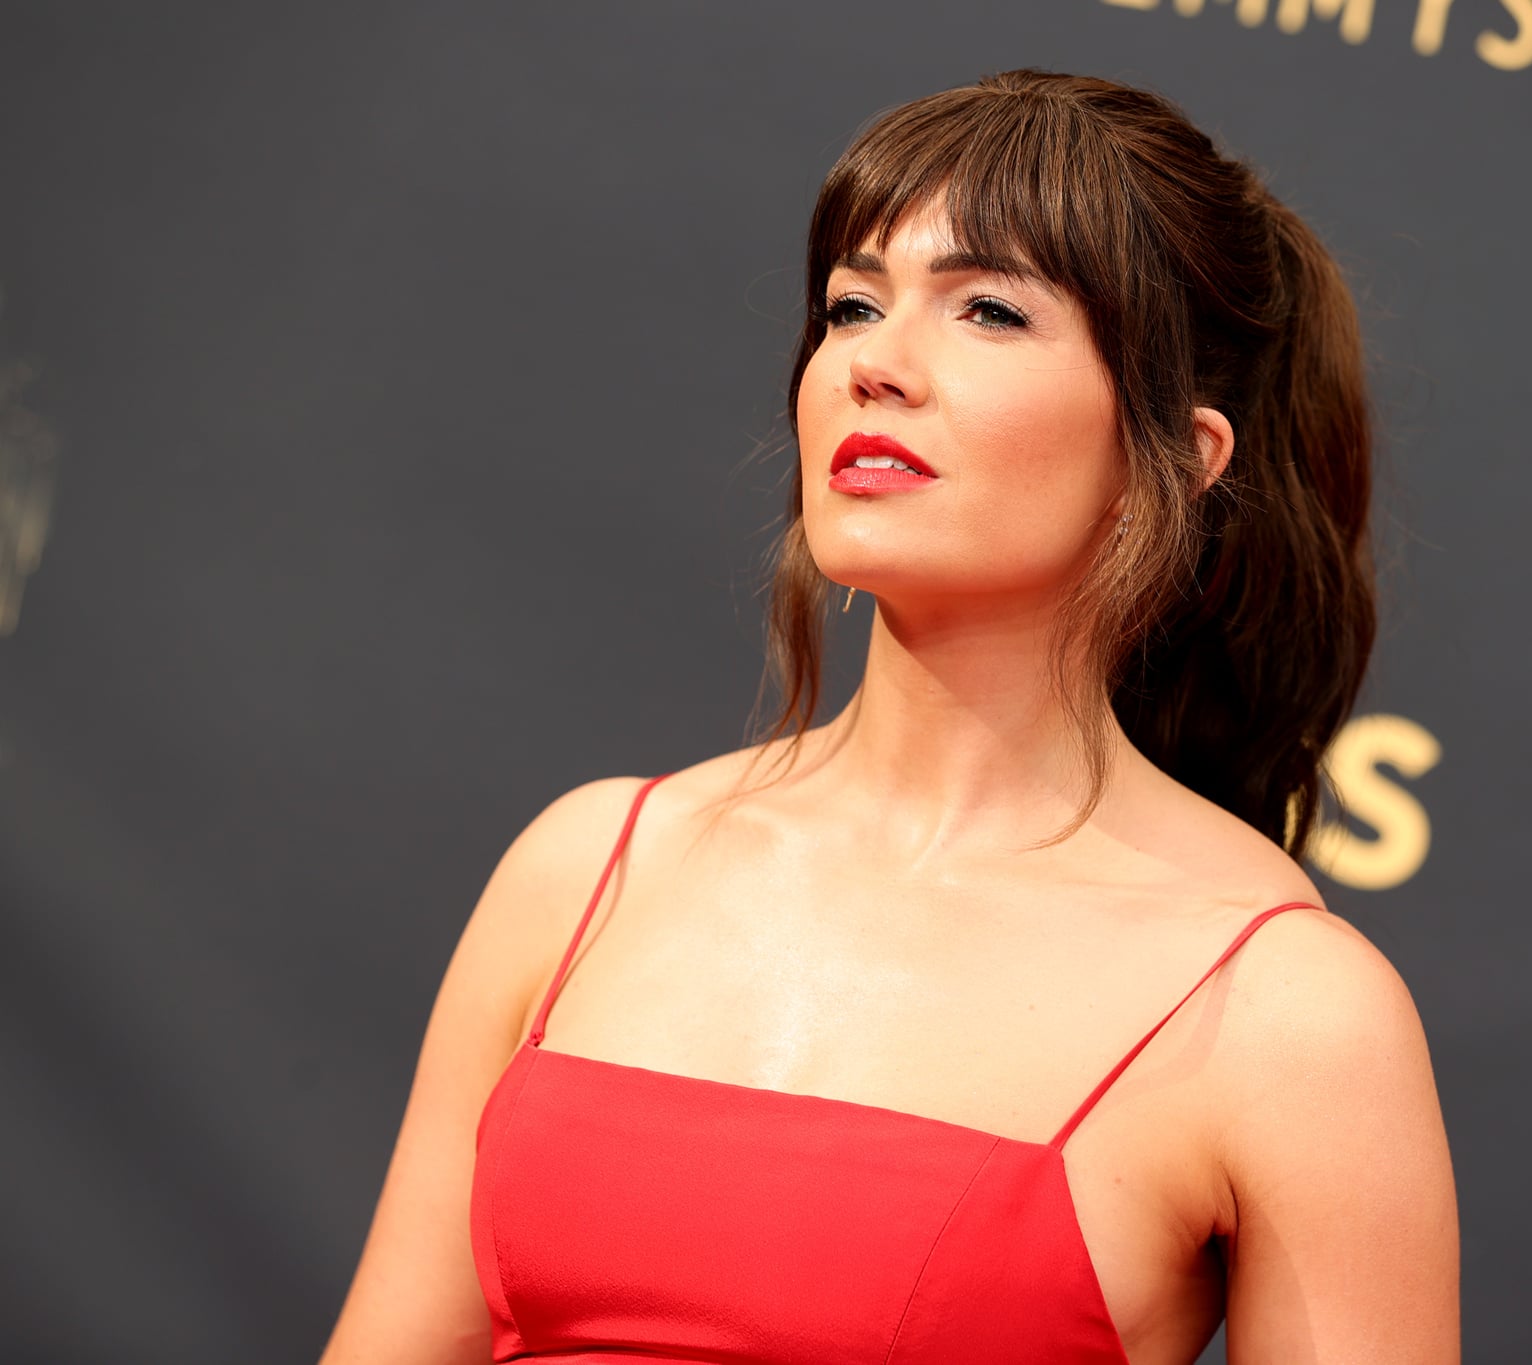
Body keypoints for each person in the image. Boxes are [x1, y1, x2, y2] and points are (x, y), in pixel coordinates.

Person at [320, 69, 1457, 1365]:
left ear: (1178, 457)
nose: (876, 363)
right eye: (853, 304)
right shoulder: (589, 865)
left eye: (988, 309)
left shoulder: (1286, 1008)